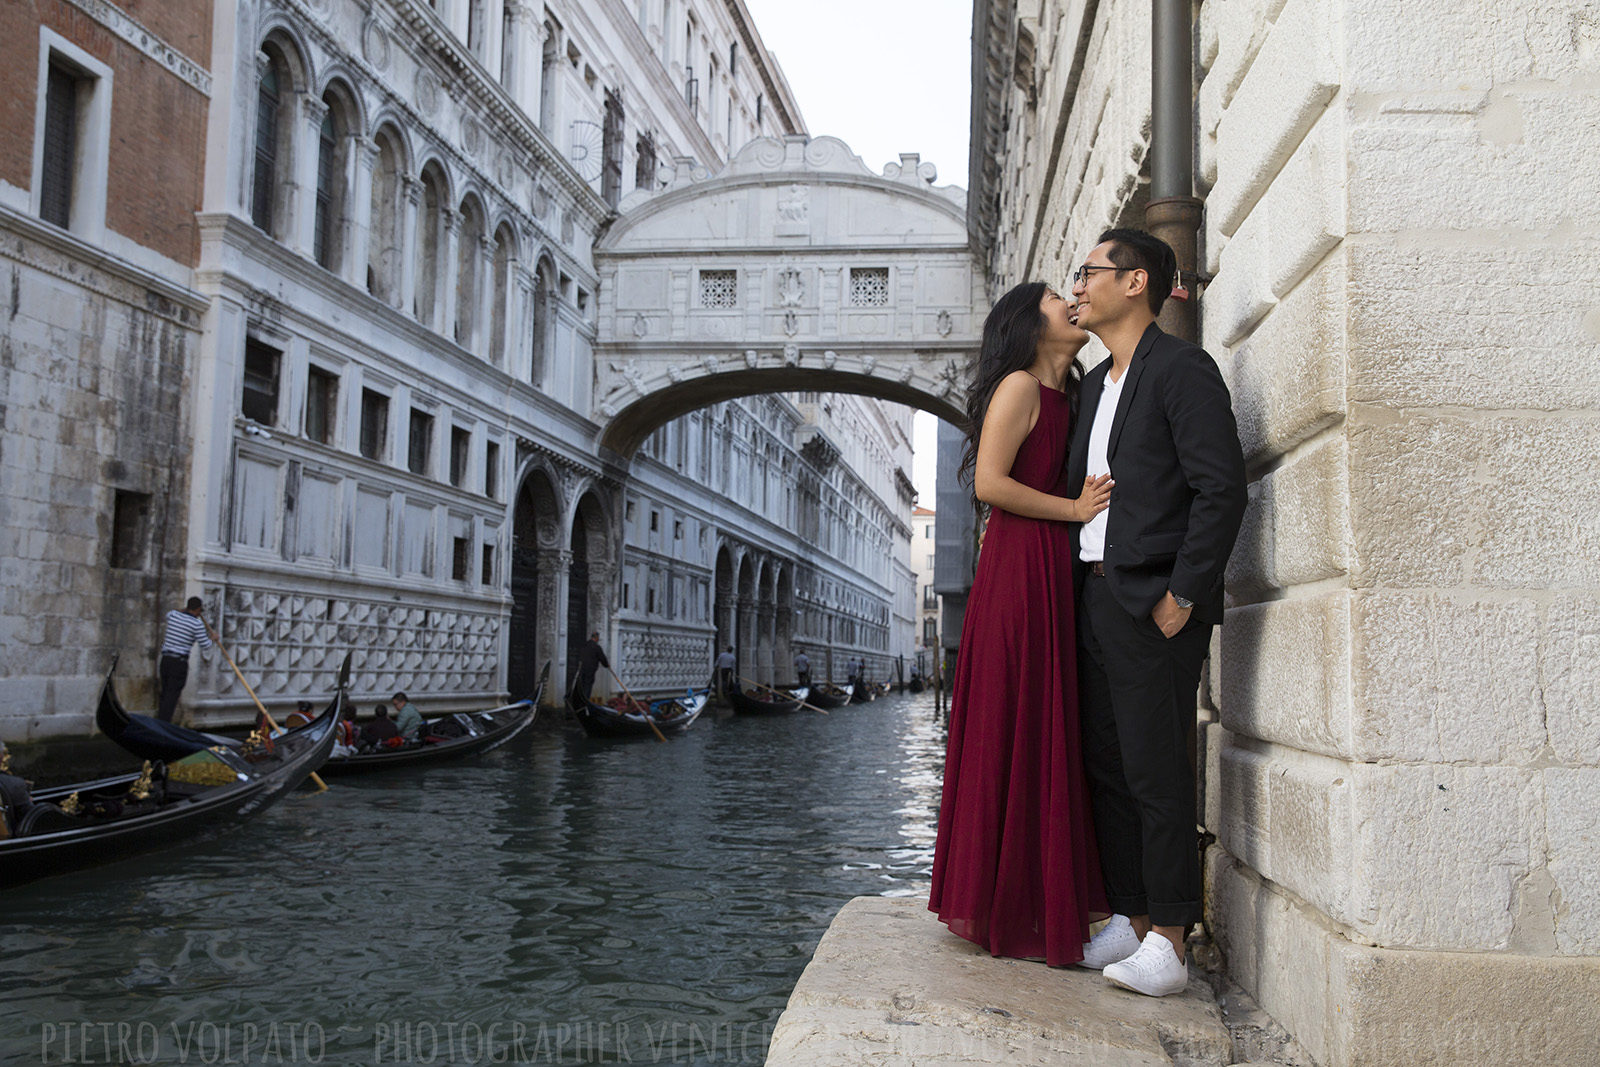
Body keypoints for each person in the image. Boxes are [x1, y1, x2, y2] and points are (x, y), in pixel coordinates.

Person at [1067, 229, 1247, 997]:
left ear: (1135, 281)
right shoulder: (1094, 384)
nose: (1078, 285)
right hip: (1096, 592)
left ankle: (1171, 938)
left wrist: (1183, 595)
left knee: (1154, 770)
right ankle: (1131, 917)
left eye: (1090, 272)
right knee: (1107, 764)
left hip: (1153, 602)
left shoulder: (1181, 368)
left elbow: (1221, 488)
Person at [929, 281, 1114, 966]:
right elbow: (990, 484)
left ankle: (1037, 893)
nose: (1071, 300)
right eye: (1054, 298)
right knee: (1018, 717)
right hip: (1019, 568)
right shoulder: (1018, 387)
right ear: (1030, 324)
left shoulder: (1079, 390)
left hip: (1052, 567)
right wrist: (1073, 512)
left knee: (1047, 721)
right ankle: (1006, 901)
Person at [157, 596, 217, 723]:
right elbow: (205, 645)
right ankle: (164, 723)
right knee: (172, 694)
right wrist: (213, 638)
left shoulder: (173, 615)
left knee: (165, 691)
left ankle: (161, 721)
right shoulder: (197, 624)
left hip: (165, 660)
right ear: (198, 609)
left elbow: (172, 612)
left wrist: (185, 610)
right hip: (179, 663)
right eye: (200, 611)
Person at [573, 633, 609, 704]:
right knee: (588, 685)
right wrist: (607, 665)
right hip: (590, 670)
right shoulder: (597, 647)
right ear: (596, 638)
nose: (598, 640)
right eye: (598, 638)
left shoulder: (584, 645)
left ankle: (580, 701)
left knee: (582, 685)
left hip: (582, 668)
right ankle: (585, 702)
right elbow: (602, 658)